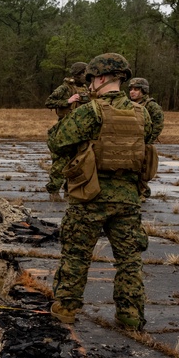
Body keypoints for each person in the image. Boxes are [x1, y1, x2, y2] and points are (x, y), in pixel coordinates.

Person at [48, 53, 153, 330]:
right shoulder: (142, 112)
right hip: (128, 198)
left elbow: (58, 142)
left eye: (92, 79)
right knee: (129, 261)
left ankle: (66, 309)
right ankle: (130, 316)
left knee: (76, 255)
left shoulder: (90, 111)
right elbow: (147, 141)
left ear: (102, 78)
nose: (90, 84)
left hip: (90, 196)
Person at [44, 62, 91, 200]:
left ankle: (69, 190)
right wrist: (67, 101)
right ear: (78, 74)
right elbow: (49, 102)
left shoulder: (85, 88)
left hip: (80, 129)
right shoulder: (64, 88)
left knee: (77, 161)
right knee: (60, 162)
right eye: (84, 73)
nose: (86, 76)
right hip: (65, 129)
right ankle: (54, 191)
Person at [127, 78, 164, 200]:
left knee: (143, 169)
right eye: (131, 89)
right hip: (130, 142)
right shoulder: (127, 104)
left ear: (143, 90)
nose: (132, 92)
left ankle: (143, 191)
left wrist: (148, 141)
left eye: (136, 89)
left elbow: (158, 124)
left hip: (143, 143)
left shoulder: (151, 106)